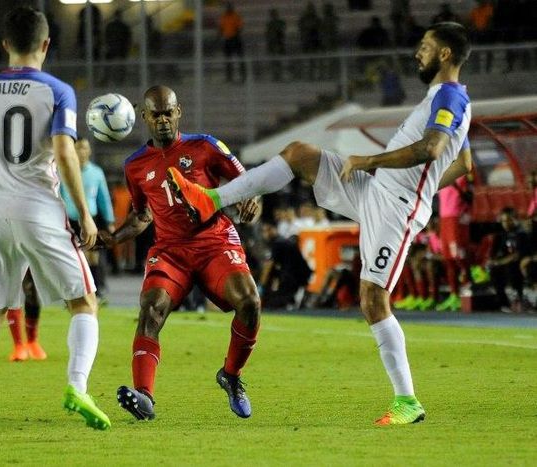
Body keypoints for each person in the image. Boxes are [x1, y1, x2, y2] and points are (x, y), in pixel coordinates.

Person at [167, 22, 473, 425]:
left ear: (445, 54)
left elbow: (431, 149)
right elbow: (462, 163)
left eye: (425, 46)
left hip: (395, 207)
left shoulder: (449, 95)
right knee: (299, 154)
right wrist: (422, 186)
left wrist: (372, 164)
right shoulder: (445, 98)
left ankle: (407, 401)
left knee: (372, 299)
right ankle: (211, 199)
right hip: (378, 192)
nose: (418, 52)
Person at [0, 6, 110, 442]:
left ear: (4, 47)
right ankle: (77, 387)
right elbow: (66, 151)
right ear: (46, 44)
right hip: (39, 208)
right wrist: (85, 213)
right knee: (85, 302)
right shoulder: (57, 91)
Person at [101, 85, 262, 421]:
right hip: (171, 251)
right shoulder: (134, 166)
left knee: (249, 302)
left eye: (168, 112)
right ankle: (144, 397)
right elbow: (142, 215)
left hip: (214, 242)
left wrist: (252, 200)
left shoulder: (205, 147)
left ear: (179, 112)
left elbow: (250, 184)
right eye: (155, 114)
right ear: (144, 117)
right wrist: (113, 237)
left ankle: (230, 375)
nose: (163, 120)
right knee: (151, 309)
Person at [60, 137, 115, 300]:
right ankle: (73, 293)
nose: (81, 151)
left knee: (93, 256)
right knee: (72, 257)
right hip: (70, 220)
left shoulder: (96, 172)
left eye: (84, 148)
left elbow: (103, 198)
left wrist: (110, 220)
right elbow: (59, 196)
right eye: (78, 148)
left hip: (91, 219)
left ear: (89, 151)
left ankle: (97, 290)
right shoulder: (65, 171)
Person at [436, 175, 473, 311]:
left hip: (456, 217)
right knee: (447, 259)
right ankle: (454, 295)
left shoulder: (462, 173)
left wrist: (455, 183)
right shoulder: (441, 173)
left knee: (458, 256)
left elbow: (469, 197)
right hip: (444, 218)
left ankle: (467, 290)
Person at [258, 221, 312, 309]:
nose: (265, 234)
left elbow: (269, 265)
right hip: (298, 274)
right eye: (264, 231)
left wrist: (261, 285)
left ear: (274, 229)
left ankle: (296, 302)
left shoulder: (277, 243)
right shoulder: (281, 241)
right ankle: (294, 301)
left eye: (267, 230)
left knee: (276, 304)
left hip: (296, 275)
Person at [487, 207, 532, 313]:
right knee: (494, 270)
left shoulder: (522, 234)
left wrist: (500, 262)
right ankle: (503, 302)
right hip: (507, 263)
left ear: (515, 219)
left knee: (511, 267)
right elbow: (497, 253)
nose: (505, 223)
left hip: (521, 264)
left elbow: (518, 254)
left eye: (508, 220)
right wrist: (492, 261)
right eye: (503, 221)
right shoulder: (502, 236)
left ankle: (519, 297)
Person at [219, 2, 245, 83]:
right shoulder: (224, 17)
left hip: (235, 39)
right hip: (227, 39)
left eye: (230, 7)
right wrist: (220, 37)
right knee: (228, 59)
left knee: (240, 58)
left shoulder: (236, 16)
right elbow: (221, 28)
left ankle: (243, 76)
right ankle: (229, 77)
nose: (229, 9)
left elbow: (239, 27)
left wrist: (235, 36)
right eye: (228, 7)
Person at [265, 8, 286, 82]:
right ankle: (275, 76)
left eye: (274, 14)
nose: (273, 15)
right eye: (272, 14)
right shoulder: (269, 24)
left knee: (279, 61)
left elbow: (282, 32)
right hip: (272, 44)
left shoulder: (280, 22)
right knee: (274, 61)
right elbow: (268, 35)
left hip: (279, 44)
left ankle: (279, 76)